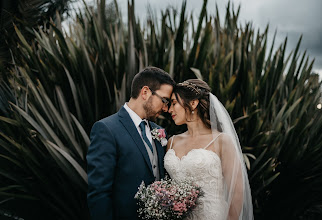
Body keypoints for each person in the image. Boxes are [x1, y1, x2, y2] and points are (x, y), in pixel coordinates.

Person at [87, 67, 175, 220]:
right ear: (145, 92)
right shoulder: (107, 129)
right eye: (164, 100)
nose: (166, 108)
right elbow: (99, 192)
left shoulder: (159, 131)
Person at [164, 79, 254, 220]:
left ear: (193, 103)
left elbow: (236, 192)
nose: (169, 110)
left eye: (174, 103)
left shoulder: (222, 141)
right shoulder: (172, 142)